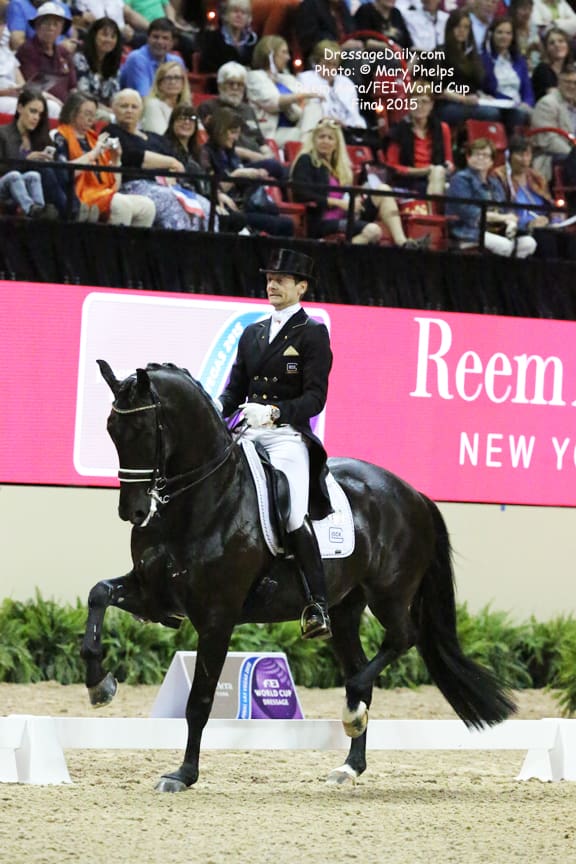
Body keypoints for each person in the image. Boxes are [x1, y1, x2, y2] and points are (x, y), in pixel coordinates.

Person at [218, 247, 333, 640]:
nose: (272, 285)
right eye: (270, 279)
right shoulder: (252, 333)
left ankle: (317, 604)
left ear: (301, 287)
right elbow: (233, 390)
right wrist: (217, 410)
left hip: (286, 437)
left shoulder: (312, 333)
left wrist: (274, 412)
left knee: (292, 512)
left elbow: (315, 398)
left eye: (281, 280)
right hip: (247, 433)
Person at [291, 117, 429, 247]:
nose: (325, 141)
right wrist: (339, 203)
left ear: (336, 144)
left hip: (347, 214)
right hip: (323, 222)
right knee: (373, 231)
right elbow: (301, 192)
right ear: (314, 140)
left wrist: (354, 201)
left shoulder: (338, 167)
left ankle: (403, 243)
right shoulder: (306, 160)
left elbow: (344, 196)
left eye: (330, 138)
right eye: (321, 137)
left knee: (383, 189)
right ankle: (331, 254)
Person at [104, 87, 202, 229]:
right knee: (171, 202)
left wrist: (171, 170)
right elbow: (133, 155)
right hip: (133, 185)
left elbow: (174, 158)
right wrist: (171, 163)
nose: (129, 110)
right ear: (113, 109)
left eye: (134, 107)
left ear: (141, 110)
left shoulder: (154, 137)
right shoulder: (111, 131)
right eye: (124, 106)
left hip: (164, 185)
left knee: (203, 205)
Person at [54, 91, 156, 226]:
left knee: (147, 206)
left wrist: (116, 160)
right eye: (87, 114)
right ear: (72, 112)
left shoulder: (94, 139)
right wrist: (93, 154)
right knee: (121, 204)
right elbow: (63, 173)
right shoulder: (59, 136)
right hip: (79, 196)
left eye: (93, 115)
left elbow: (114, 187)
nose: (91, 120)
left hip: (103, 193)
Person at [199, 104, 294, 235]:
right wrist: (239, 174)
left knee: (275, 211)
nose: (236, 138)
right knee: (286, 224)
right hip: (233, 210)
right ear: (220, 130)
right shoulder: (205, 153)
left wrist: (254, 175)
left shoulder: (229, 151)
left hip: (246, 202)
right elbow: (215, 189)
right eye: (233, 132)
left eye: (237, 133)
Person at [446, 136, 537, 256]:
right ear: (468, 157)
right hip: (468, 231)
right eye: (476, 154)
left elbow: (505, 209)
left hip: (496, 229)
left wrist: (511, 221)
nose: (480, 158)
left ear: (491, 161)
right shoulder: (460, 180)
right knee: (504, 245)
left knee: (528, 243)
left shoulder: (494, 182)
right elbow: (472, 214)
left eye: (485, 155)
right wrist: (503, 218)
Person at [0, 86, 68, 215]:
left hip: (35, 184)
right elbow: (2, 168)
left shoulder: (40, 136)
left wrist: (49, 159)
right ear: (20, 108)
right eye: (33, 111)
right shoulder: (2, 133)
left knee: (53, 168)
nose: (36, 118)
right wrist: (26, 160)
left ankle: (45, 209)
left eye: (40, 114)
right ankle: (68, 210)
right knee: (31, 172)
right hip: (7, 183)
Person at [246, 35, 320, 147]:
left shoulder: (286, 78)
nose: (288, 57)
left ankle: (305, 146)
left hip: (296, 128)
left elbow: (303, 106)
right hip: (271, 134)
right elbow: (273, 102)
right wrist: (301, 96)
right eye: (284, 52)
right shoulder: (255, 77)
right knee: (314, 138)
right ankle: (306, 147)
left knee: (314, 107)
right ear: (270, 55)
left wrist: (302, 98)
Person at [385, 81, 453, 197]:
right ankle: (433, 204)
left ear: (431, 105)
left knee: (441, 174)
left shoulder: (442, 128)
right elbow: (393, 167)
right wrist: (422, 171)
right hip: (410, 181)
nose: (419, 106)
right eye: (415, 102)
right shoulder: (398, 131)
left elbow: (449, 160)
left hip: (437, 175)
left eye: (424, 102)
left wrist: (449, 166)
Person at [435, 9, 501, 125]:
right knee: (491, 113)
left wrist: (482, 96)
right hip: (448, 104)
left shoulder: (471, 54)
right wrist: (463, 99)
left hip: (469, 101)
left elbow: (473, 85)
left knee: (502, 111)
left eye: (466, 27)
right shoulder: (440, 52)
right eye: (458, 26)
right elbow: (439, 90)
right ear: (450, 28)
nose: (462, 31)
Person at [297, 40, 368, 137]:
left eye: (334, 64)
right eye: (327, 63)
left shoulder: (346, 83)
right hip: (317, 131)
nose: (330, 68)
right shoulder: (304, 79)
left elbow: (354, 114)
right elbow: (307, 114)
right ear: (317, 62)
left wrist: (350, 125)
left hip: (345, 132)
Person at [16, 2, 77, 110]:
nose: (51, 28)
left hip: (65, 107)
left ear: (62, 29)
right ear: (37, 25)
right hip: (39, 105)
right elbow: (33, 87)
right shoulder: (27, 50)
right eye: (47, 23)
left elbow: (73, 88)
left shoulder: (64, 53)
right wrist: (57, 103)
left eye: (56, 24)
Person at [482, 16, 534, 131]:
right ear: (491, 35)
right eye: (500, 32)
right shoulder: (484, 60)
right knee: (516, 114)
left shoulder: (519, 60)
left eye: (508, 33)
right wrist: (510, 101)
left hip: (519, 104)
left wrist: (527, 103)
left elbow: (527, 89)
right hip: (498, 104)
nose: (504, 37)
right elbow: (487, 88)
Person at [530, 63, 576, 181]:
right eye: (567, 82)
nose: (571, 86)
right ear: (559, 83)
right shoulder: (547, 103)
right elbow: (548, 140)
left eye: (575, 83)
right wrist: (573, 154)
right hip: (551, 157)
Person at [119, 17, 184, 96]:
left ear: (172, 42)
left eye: (165, 38)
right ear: (148, 38)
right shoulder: (137, 58)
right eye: (155, 37)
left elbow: (183, 94)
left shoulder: (177, 62)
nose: (160, 42)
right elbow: (145, 97)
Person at [73, 17, 123, 116]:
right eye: (104, 35)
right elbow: (83, 94)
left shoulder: (114, 66)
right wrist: (109, 112)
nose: (109, 40)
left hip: (107, 112)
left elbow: (115, 97)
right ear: (94, 35)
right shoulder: (80, 59)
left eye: (113, 36)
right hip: (82, 108)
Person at [199, 0, 257, 76]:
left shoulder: (252, 40)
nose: (239, 16)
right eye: (235, 11)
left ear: (249, 18)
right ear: (225, 15)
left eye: (243, 13)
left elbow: (256, 66)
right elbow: (206, 69)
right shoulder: (212, 38)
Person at [141, 58, 191, 133]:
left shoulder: (186, 106)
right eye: (168, 78)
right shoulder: (152, 104)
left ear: (183, 83)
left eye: (177, 77)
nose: (173, 82)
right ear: (159, 84)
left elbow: (200, 133)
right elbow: (160, 135)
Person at [531, 26, 573, 103]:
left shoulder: (571, 68)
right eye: (552, 43)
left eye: (561, 41)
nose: (557, 45)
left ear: (568, 45)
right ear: (547, 49)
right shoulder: (542, 69)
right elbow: (553, 95)